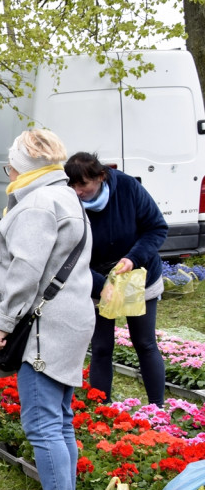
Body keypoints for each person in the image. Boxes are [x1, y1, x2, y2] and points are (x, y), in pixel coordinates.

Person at [0, 130, 95, 490]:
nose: (9, 173)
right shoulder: (61, 194)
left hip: (45, 326)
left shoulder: (38, 202)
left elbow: (26, 269)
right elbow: (40, 244)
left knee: (43, 424)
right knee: (60, 421)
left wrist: (1, 326)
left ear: (21, 165)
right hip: (69, 316)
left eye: (9, 165)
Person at [64, 152, 169, 406]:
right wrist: (101, 286)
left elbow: (157, 228)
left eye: (84, 185)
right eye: (73, 185)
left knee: (144, 343)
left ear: (101, 177)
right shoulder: (66, 202)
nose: (78, 191)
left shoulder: (127, 187)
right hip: (94, 278)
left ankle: (158, 408)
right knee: (101, 347)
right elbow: (66, 255)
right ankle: (103, 410)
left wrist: (133, 258)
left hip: (137, 274)